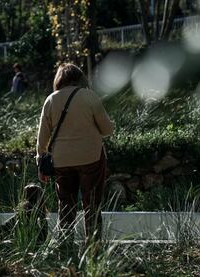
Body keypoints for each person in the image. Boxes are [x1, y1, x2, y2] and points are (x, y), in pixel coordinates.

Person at [36, 63, 114, 243]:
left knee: (65, 205)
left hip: (61, 161)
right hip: (91, 158)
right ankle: (93, 247)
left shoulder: (50, 100)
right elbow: (107, 129)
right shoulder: (90, 96)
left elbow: (42, 139)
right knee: (92, 205)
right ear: (80, 78)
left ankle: (64, 246)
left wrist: (41, 163)